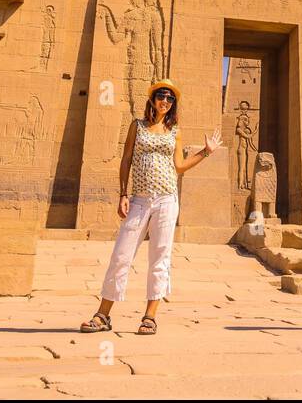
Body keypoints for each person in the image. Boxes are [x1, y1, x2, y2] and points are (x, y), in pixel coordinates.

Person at [80, 79, 221, 336]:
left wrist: (206, 152)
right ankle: (103, 314)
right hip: (139, 199)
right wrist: (123, 193)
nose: (165, 101)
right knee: (121, 255)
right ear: (152, 98)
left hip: (166, 199)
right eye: (161, 96)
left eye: (170, 98)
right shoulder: (138, 125)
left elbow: (179, 167)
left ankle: (150, 316)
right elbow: (126, 159)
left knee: (160, 257)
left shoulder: (174, 130)